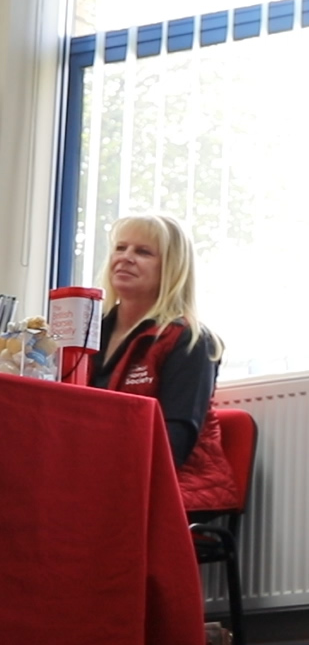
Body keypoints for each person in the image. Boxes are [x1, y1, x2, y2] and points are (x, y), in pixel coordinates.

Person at [92, 211, 240, 513]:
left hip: (176, 481)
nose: (126, 257)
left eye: (143, 252)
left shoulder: (190, 340)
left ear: (172, 269)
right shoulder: (87, 333)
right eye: (120, 248)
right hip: (104, 475)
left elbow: (175, 442)